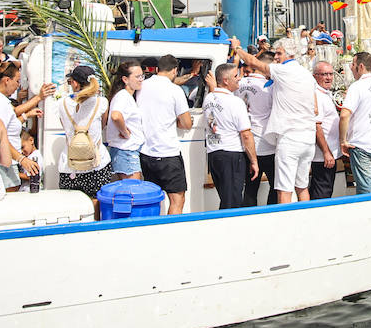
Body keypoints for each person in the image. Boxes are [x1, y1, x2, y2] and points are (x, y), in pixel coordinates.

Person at [230, 36, 318, 204]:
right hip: (308, 137)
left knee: (284, 190)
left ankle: (284, 226)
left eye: (279, 53)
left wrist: (237, 48)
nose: (276, 57)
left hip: (290, 138)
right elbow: (315, 109)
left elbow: (253, 63)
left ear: (290, 54)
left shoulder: (283, 70)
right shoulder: (308, 76)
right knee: (302, 187)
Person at [0, 59, 47, 192]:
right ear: (6, 80)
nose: (18, 85)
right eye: (17, 81)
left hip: (5, 162)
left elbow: (11, 117)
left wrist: (37, 100)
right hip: (3, 164)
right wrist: (22, 159)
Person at [138, 54, 194, 214]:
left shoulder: (142, 86)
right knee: (177, 199)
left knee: (152, 198)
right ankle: (171, 233)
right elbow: (186, 123)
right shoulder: (175, 91)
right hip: (168, 153)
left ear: (157, 69)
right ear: (175, 71)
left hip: (145, 153)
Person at [55, 66, 115, 203]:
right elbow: (103, 124)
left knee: (72, 205)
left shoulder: (62, 103)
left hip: (69, 166)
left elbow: (65, 126)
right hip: (97, 163)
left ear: (75, 83)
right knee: (96, 201)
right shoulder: (102, 102)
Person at [202, 63, 257, 210]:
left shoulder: (208, 99)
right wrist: (254, 161)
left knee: (226, 199)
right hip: (232, 155)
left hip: (214, 155)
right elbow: (246, 134)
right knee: (232, 203)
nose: (239, 78)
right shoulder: (235, 102)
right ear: (226, 80)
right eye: (236, 76)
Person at [339, 52, 371, 194]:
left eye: (352, 65)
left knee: (365, 190)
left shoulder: (357, 86)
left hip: (361, 144)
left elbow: (344, 115)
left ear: (360, 66)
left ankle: (369, 215)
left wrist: (343, 140)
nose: (351, 68)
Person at [236, 55, 275, 205]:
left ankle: (248, 218)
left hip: (246, 144)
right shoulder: (269, 87)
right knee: (276, 186)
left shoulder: (238, 83)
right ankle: (270, 215)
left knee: (250, 188)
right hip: (267, 144)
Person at [104, 61, 145, 181]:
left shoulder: (126, 96)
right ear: (125, 79)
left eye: (142, 76)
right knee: (132, 192)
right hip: (126, 151)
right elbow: (116, 116)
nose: (141, 79)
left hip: (127, 151)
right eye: (137, 77)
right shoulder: (123, 96)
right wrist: (125, 132)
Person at [309, 61, 341, 199]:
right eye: (324, 74)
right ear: (315, 76)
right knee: (321, 192)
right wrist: (326, 153)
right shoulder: (317, 95)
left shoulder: (325, 93)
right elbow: (316, 126)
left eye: (330, 74)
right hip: (322, 156)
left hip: (329, 154)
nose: (328, 78)